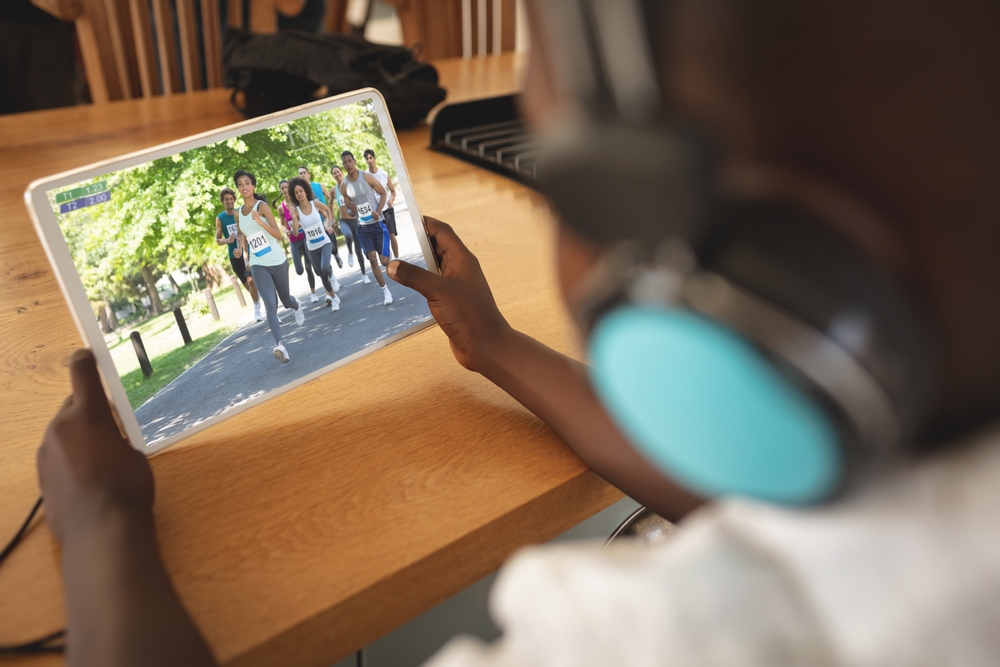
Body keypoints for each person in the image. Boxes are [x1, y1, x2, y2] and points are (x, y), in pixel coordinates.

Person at [32, 1, 1000, 666]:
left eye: (564, 174)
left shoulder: (661, 636)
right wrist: (492, 342)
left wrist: (104, 528)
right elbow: (767, 503)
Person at [234, 169, 304, 363]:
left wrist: (260, 222)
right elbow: (241, 233)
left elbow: (278, 235)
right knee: (270, 305)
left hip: (276, 260)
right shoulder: (238, 213)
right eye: (240, 184)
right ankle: (281, 346)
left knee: (285, 300)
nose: (244, 186)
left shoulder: (262, 206)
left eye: (247, 182)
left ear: (253, 186)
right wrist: (240, 248)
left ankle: (296, 305)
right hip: (257, 263)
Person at [339, 151, 393, 306]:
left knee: (384, 261)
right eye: (345, 162)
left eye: (350, 161)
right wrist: (352, 211)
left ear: (354, 161)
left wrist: (379, 210)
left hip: (377, 224)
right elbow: (349, 208)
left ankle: (396, 268)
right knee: (372, 259)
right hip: (363, 227)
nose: (348, 164)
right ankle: (385, 292)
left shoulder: (367, 177)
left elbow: (383, 193)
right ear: (343, 165)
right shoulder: (344, 186)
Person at [287, 176, 341, 312]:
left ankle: (333, 277)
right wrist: (293, 219)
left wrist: (327, 223)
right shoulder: (297, 212)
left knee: (325, 268)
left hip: (324, 242)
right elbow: (294, 233)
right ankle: (335, 299)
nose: (299, 194)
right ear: (294, 196)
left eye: (300, 191)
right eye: (296, 193)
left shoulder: (314, 203)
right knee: (321, 275)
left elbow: (328, 210)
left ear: (305, 191)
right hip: (312, 247)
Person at [214, 187, 263, 322]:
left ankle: (257, 309)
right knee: (248, 285)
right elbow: (218, 240)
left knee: (251, 280)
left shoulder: (241, 213)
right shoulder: (220, 218)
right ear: (223, 202)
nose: (229, 201)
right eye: (226, 200)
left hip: (248, 250)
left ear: (234, 200)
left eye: (231, 199)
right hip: (234, 256)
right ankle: (258, 300)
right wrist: (227, 240)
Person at [273, 179, 320, 303]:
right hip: (293, 240)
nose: (284, 190)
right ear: (281, 191)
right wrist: (285, 230)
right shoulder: (281, 208)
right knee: (299, 270)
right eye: (282, 188)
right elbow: (282, 224)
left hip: (304, 237)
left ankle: (313, 293)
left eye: (286, 187)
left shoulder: (297, 203)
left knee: (309, 267)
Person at [297, 165, 343, 269]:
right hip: (314, 226)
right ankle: (329, 272)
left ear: (308, 175)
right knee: (322, 252)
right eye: (300, 173)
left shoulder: (319, 186)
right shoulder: (300, 193)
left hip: (326, 220)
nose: (303, 174)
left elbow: (331, 199)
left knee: (333, 247)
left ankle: (336, 255)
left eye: (304, 172)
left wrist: (332, 216)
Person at [331, 164, 369, 284]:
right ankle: (350, 252)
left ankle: (364, 274)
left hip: (354, 220)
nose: (337, 174)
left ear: (341, 172)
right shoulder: (333, 190)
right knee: (347, 235)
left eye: (338, 172)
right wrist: (332, 219)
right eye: (334, 173)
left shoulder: (349, 185)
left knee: (359, 250)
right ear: (333, 176)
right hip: (343, 220)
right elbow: (330, 203)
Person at [363, 149, 398, 259]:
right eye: (367, 159)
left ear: (374, 158)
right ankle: (388, 254)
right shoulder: (365, 176)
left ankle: (397, 259)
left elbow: (392, 190)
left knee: (391, 234)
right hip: (375, 211)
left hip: (387, 209)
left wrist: (391, 200)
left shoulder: (384, 174)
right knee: (384, 235)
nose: (369, 160)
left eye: (370, 158)